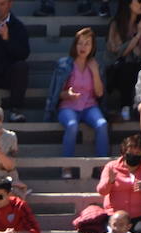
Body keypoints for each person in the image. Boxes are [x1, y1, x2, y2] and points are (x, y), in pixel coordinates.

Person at [48, 27, 111, 168]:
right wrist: (67, 95)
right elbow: (55, 93)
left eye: (87, 43)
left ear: (92, 46)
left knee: (102, 124)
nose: (83, 47)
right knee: (72, 125)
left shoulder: (96, 65)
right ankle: (67, 166)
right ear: (75, 45)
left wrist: (94, 72)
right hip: (68, 106)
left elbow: (100, 94)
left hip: (90, 105)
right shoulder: (64, 64)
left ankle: (102, 167)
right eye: (80, 43)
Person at [98, 133, 141, 233]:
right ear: (124, 151)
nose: (133, 154)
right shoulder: (111, 166)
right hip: (115, 216)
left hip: (140, 216)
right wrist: (110, 181)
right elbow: (101, 191)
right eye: (130, 151)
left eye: (137, 152)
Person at [107, 0, 141, 121]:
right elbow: (120, 52)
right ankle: (125, 106)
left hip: (138, 64)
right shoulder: (116, 24)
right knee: (127, 67)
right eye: (139, 1)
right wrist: (138, 34)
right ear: (128, 3)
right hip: (119, 69)